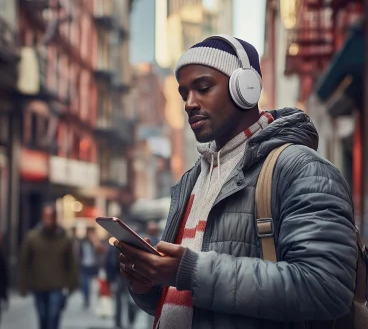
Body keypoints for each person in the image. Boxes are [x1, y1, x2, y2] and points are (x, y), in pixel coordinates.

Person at [115, 35, 358, 328]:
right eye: (184, 94)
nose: (190, 103)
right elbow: (184, 302)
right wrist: (149, 285)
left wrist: (191, 272)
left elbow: (327, 288)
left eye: (203, 88)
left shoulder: (301, 169)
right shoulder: (193, 180)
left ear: (246, 88)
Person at [19, 204, 79, 329]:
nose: (48, 220)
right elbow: (25, 262)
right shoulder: (32, 238)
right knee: (42, 317)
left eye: (50, 217)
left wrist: (72, 284)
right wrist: (23, 284)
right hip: (38, 284)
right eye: (46, 217)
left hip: (57, 285)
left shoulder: (64, 239)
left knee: (53, 315)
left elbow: (71, 263)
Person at [79, 227, 104, 308]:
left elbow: (101, 251)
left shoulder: (97, 241)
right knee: (85, 284)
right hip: (85, 265)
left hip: (94, 266)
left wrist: (95, 242)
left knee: (97, 285)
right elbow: (79, 253)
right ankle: (86, 299)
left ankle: (99, 299)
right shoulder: (82, 241)